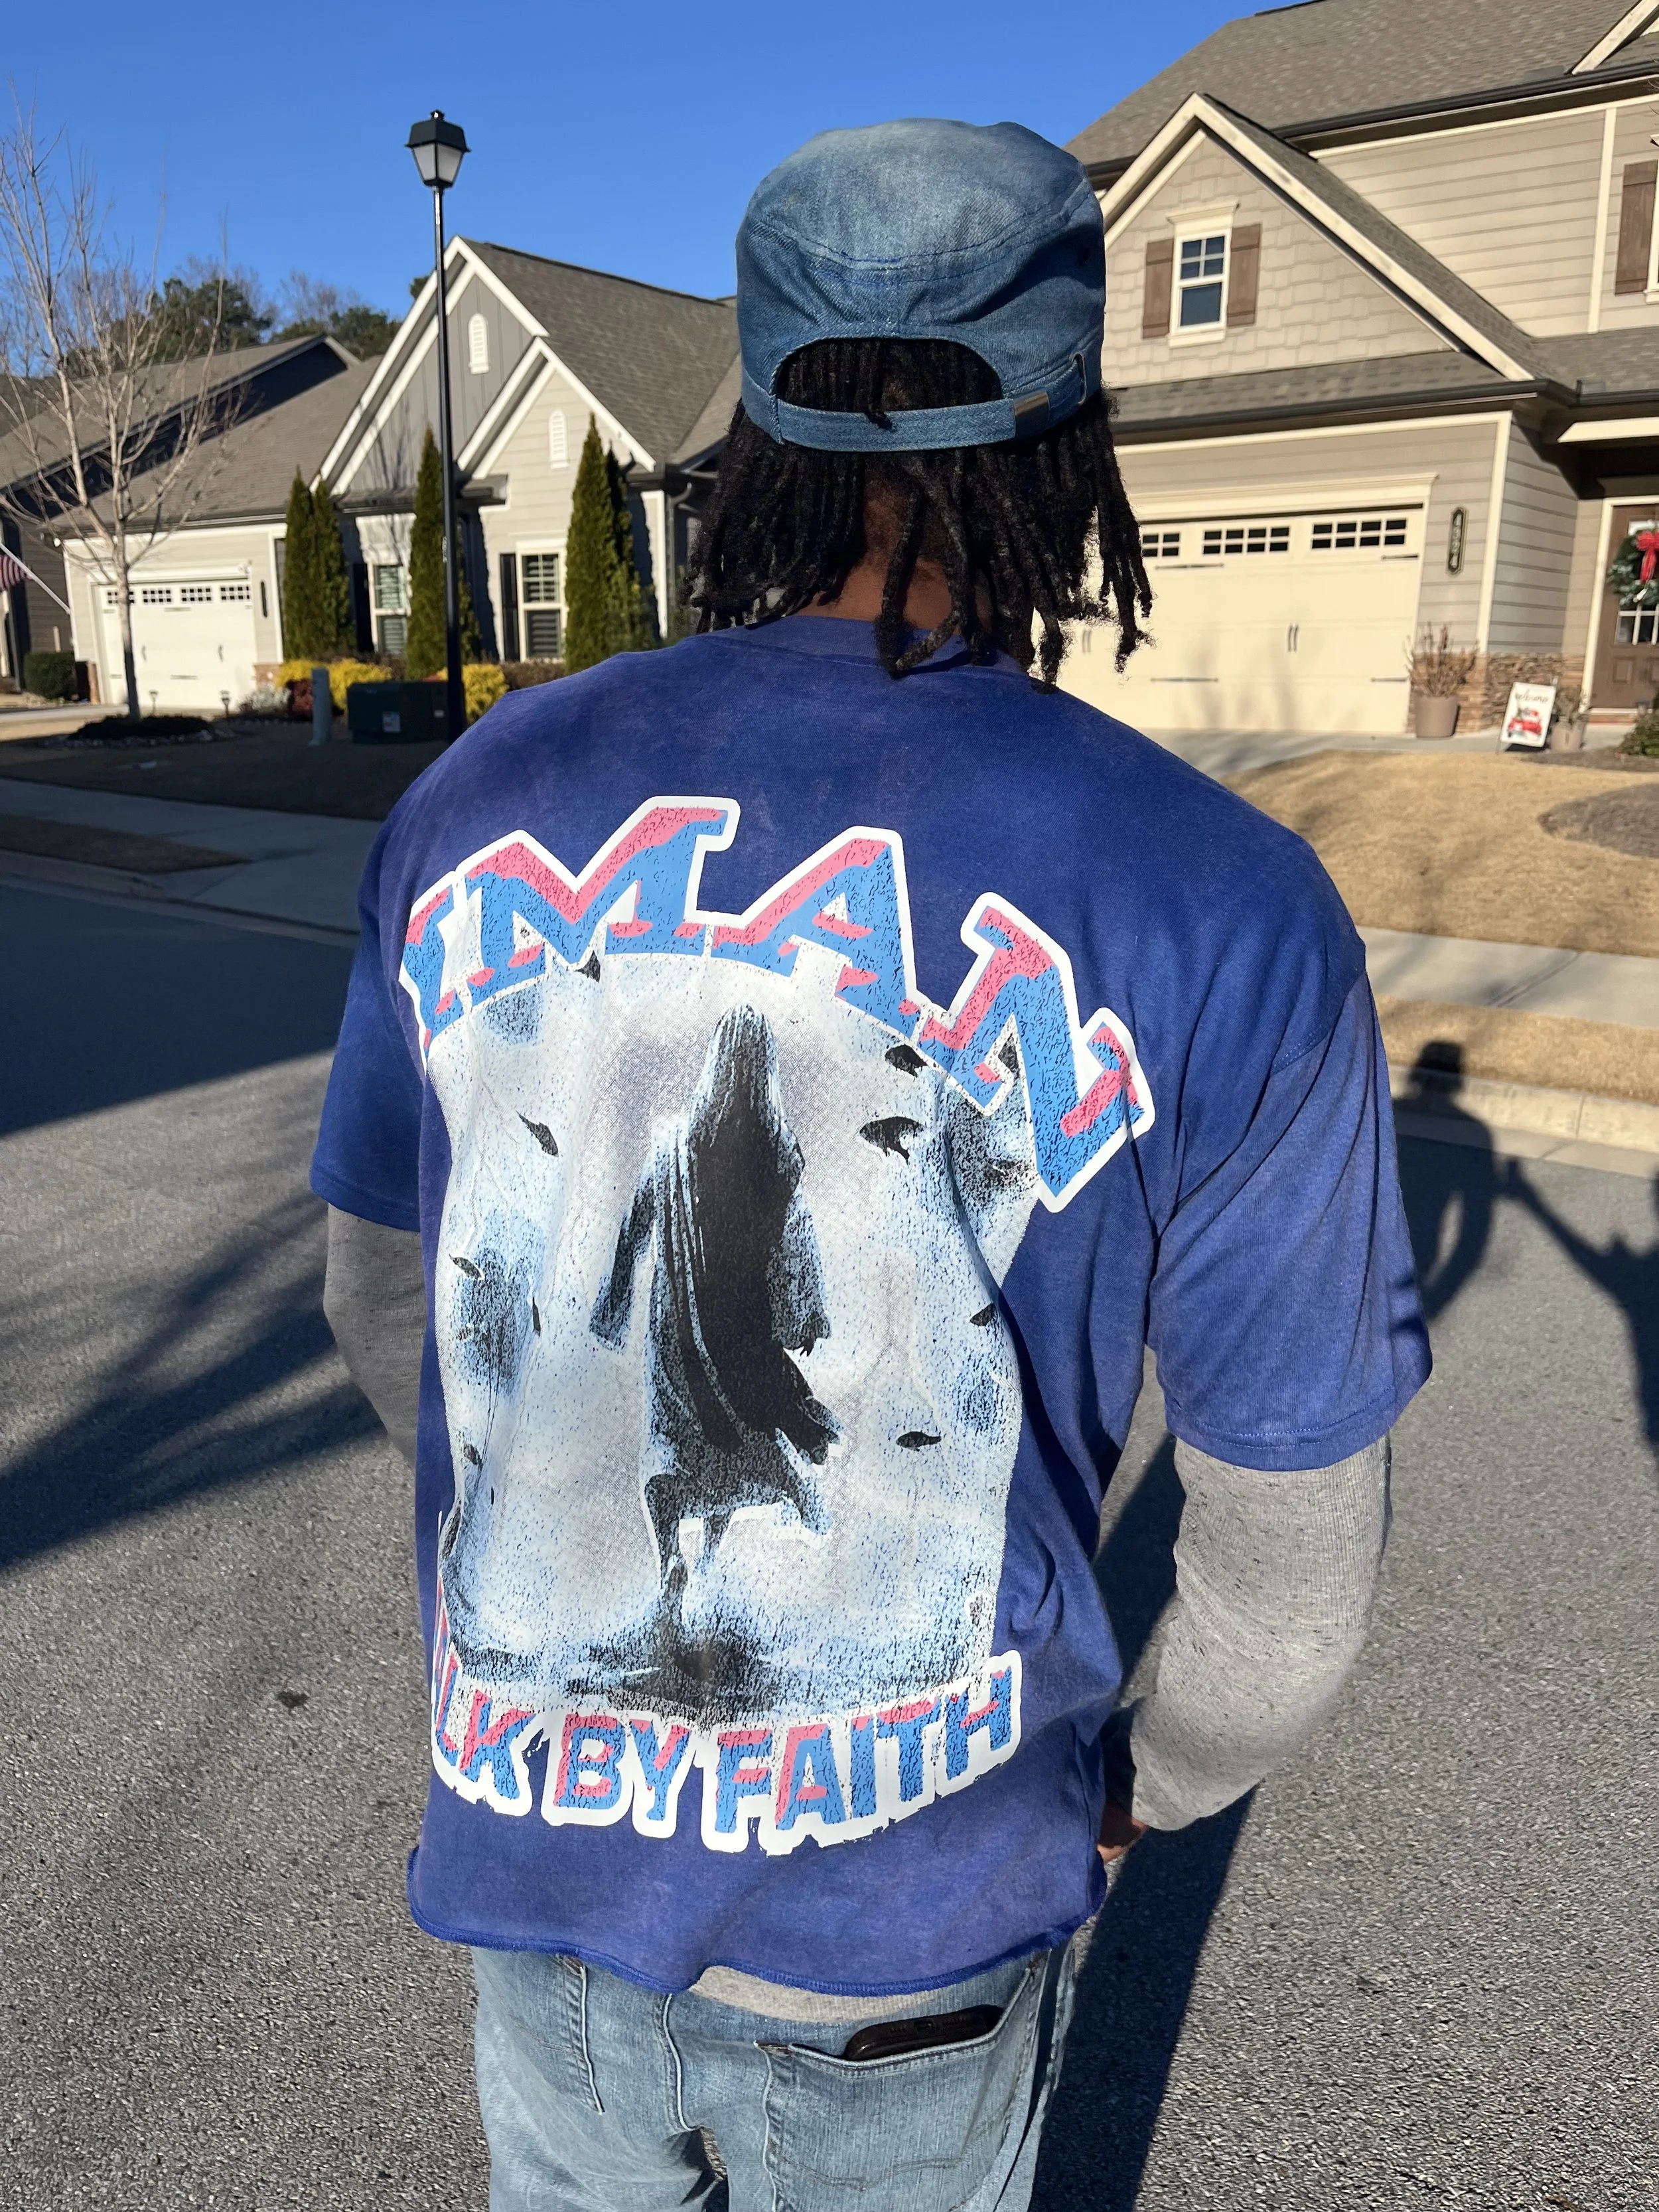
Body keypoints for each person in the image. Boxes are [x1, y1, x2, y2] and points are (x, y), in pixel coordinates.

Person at [313, 119, 1429, 2212]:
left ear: (755, 428)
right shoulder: (1228, 902)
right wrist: (1143, 1782)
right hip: (919, 1940)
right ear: (1069, 441)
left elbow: (386, 1304)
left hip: (540, 1880)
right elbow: (1290, 1577)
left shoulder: (483, 792)